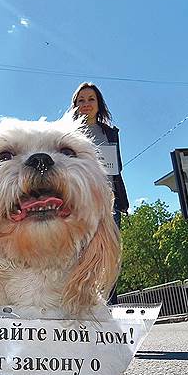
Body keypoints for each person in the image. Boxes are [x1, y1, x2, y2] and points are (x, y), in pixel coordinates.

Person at [71, 82, 130, 304]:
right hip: (79, 201)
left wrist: (122, 201)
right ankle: (80, 302)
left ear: (99, 104)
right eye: (81, 100)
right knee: (79, 252)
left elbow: (117, 168)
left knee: (108, 252)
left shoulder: (110, 132)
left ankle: (109, 304)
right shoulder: (68, 132)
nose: (86, 104)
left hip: (108, 200)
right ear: (75, 105)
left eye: (91, 99)